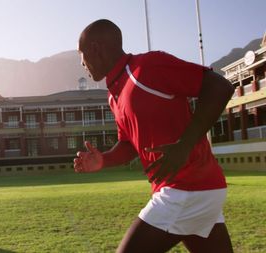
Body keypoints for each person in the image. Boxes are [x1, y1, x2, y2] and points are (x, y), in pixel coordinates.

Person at [74, 19, 234, 253]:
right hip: (198, 191)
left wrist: (184, 146)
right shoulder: (114, 95)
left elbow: (219, 86)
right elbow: (129, 145)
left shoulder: (147, 67)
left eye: (82, 55)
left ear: (96, 49)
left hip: (185, 189)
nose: (82, 64)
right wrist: (104, 159)